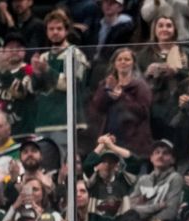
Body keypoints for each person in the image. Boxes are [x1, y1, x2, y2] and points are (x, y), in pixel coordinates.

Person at [30, 9, 89, 153]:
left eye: (59, 28)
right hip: (43, 122)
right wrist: (35, 74)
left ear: (67, 31)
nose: (55, 32)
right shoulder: (43, 57)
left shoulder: (75, 54)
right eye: (51, 29)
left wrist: (47, 71)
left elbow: (71, 85)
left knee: (66, 166)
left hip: (66, 121)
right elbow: (35, 90)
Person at [91, 47, 154, 160]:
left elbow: (143, 112)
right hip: (111, 137)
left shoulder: (141, 86)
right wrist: (107, 91)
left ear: (133, 63)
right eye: (119, 59)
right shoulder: (106, 84)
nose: (123, 62)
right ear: (114, 63)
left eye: (127, 59)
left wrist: (122, 96)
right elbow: (97, 108)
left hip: (133, 140)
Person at [137, 15, 189, 140]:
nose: (164, 29)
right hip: (153, 108)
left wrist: (176, 72)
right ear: (154, 30)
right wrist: (147, 73)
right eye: (160, 26)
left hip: (179, 105)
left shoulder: (186, 52)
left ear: (175, 30)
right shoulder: (143, 54)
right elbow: (135, 81)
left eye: (169, 26)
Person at [127, 139, 184, 221]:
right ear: (151, 158)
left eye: (165, 153)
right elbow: (129, 208)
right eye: (157, 152)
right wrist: (157, 207)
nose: (160, 156)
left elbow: (170, 212)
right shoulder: (143, 180)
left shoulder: (175, 178)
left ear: (173, 160)